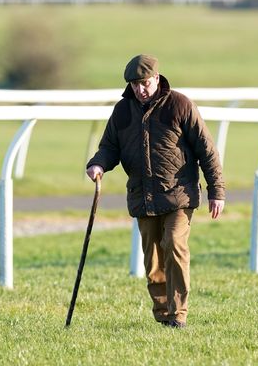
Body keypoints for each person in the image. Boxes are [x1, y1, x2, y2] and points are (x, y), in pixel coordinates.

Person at [86, 54, 226, 329]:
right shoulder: (123, 111)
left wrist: (216, 190)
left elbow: (206, 150)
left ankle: (178, 315)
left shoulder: (180, 105)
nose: (140, 89)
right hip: (143, 197)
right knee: (152, 261)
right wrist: (98, 164)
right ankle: (163, 315)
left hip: (179, 195)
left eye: (145, 83)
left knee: (174, 244)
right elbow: (109, 147)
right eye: (135, 84)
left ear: (157, 78)